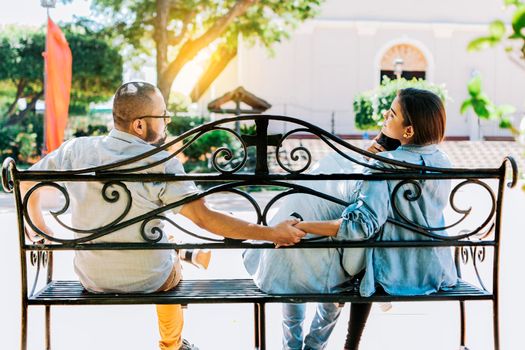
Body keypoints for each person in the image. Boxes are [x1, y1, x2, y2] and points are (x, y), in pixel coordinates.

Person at [21, 81, 305, 350]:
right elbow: (206, 219)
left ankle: (181, 255)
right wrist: (272, 232)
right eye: (163, 115)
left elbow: (25, 180)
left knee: (161, 238)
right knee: (165, 254)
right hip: (151, 279)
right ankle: (171, 344)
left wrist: (36, 226)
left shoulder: (77, 149)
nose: (167, 122)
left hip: (92, 278)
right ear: (140, 124)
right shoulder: (162, 163)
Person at [255, 88, 458, 350]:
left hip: (392, 271)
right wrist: (376, 155)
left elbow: (359, 226)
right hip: (433, 270)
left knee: (303, 233)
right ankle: (317, 344)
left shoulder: (385, 164)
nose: (385, 115)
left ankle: (295, 345)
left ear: (408, 131)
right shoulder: (443, 161)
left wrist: (300, 226)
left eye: (392, 114)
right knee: (317, 238)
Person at [243, 133, 398, 350]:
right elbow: (359, 229)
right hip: (309, 260)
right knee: (338, 291)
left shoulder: (337, 158)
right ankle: (314, 346)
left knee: (295, 287)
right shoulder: (369, 180)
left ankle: (292, 347)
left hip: (275, 257)